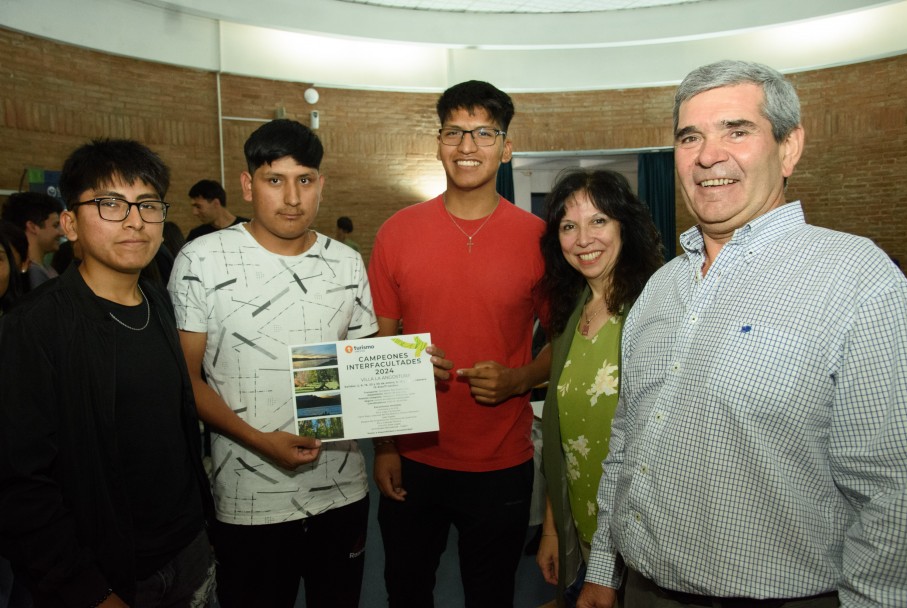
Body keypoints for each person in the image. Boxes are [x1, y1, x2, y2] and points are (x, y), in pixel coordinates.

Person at [578, 60, 907, 608]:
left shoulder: (857, 281)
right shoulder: (659, 289)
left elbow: (894, 490)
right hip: (642, 590)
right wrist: (602, 570)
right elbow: (626, 442)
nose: (709, 155)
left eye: (737, 130)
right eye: (691, 137)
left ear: (789, 147)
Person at [168, 119, 377, 608]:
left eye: (304, 180)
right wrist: (262, 443)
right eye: (274, 180)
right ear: (247, 185)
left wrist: (406, 371)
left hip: (341, 487)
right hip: (247, 497)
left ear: (321, 185)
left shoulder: (345, 263)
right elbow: (186, 379)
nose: (292, 197)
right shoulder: (202, 259)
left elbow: (362, 367)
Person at [0, 138, 215, 608]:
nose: (135, 220)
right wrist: (88, 589)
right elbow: (21, 482)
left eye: (148, 204)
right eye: (110, 203)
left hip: (187, 550)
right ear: (71, 223)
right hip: (108, 573)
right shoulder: (32, 329)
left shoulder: (159, 302)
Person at [368, 80, 549, 607]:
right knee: (405, 590)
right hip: (414, 456)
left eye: (483, 133)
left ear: (506, 147)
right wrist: (384, 447)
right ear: (439, 141)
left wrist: (519, 378)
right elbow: (380, 345)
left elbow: (565, 345)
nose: (467, 146)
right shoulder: (397, 232)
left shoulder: (539, 239)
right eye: (454, 132)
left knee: (490, 595)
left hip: (502, 461)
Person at [535, 170, 663, 607]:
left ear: (625, 226)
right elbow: (562, 437)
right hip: (586, 529)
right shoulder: (572, 315)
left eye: (599, 221)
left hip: (643, 536)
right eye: (569, 226)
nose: (583, 238)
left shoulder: (653, 311)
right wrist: (552, 528)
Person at [0, 192, 64, 289]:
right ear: (32, 227)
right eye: (55, 225)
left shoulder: (46, 269)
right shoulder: (30, 274)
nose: (61, 232)